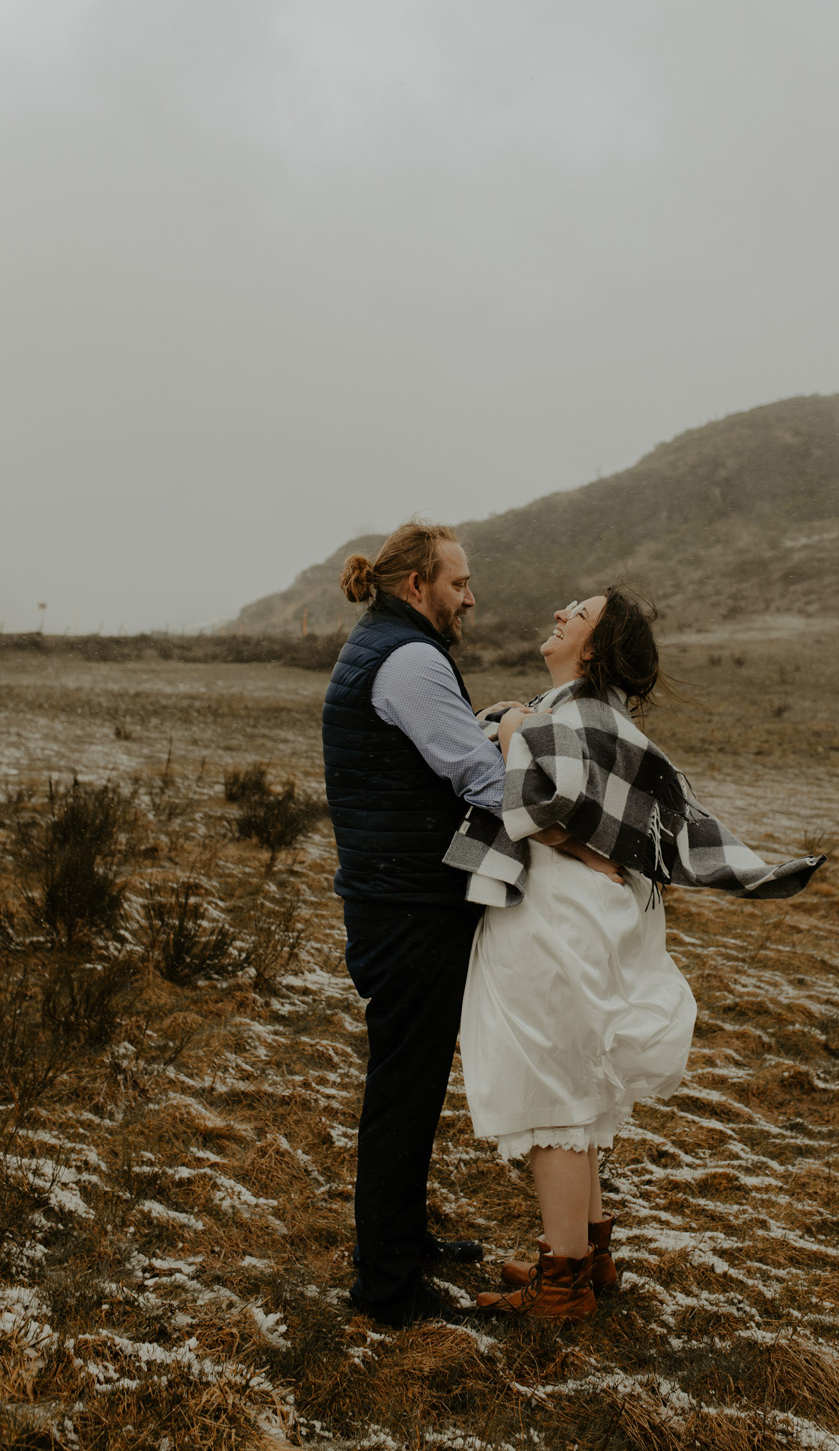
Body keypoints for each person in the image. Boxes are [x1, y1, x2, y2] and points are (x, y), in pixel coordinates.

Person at [445, 586, 825, 1319]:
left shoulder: (570, 715)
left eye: (578, 612)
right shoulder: (587, 715)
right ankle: (587, 1257)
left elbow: (543, 800)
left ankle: (561, 1288)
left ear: (593, 647)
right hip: (584, 916)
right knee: (577, 1093)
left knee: (554, 1094)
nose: (559, 611)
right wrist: (521, 725)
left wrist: (517, 728)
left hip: (554, 922)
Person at [321, 520, 523, 1327]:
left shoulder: (387, 646)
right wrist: (534, 767)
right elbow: (482, 783)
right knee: (403, 1092)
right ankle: (389, 1289)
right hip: (406, 908)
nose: (471, 596)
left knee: (410, 1084)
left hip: (395, 897)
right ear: (418, 586)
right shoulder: (408, 659)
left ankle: (401, 1240)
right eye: (459, 582)